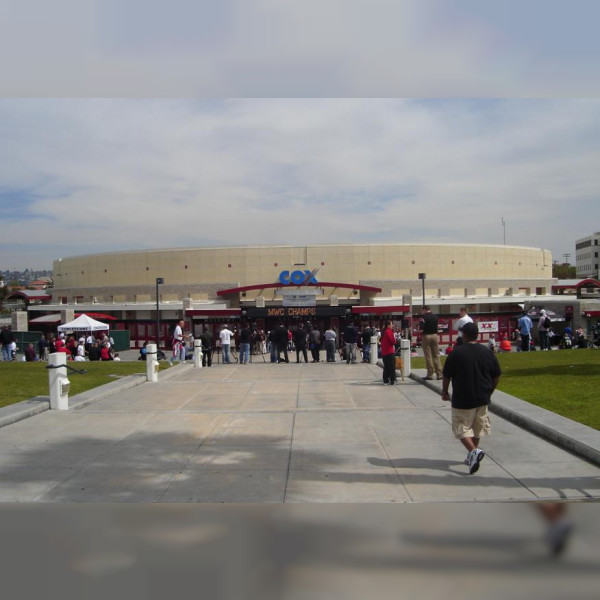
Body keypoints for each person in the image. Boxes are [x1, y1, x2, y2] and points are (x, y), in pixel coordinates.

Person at [441, 322, 501, 475]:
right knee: (477, 428)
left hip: (463, 397)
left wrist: (444, 392)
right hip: (482, 396)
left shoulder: (456, 353)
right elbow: (496, 375)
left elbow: (446, 375)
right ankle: (472, 456)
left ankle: (473, 452)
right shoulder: (487, 352)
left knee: (461, 427)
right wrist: (490, 392)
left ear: (464, 335)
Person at [420, 306, 443, 380]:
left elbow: (421, 329)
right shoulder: (435, 317)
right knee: (436, 355)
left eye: (422, 310)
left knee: (428, 355)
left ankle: (430, 374)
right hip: (435, 335)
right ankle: (439, 374)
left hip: (426, 336)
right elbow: (437, 326)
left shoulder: (423, 318)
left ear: (424, 310)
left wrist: (416, 331)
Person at [380, 320, 397, 385]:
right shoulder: (389, 331)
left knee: (386, 367)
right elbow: (393, 341)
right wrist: (396, 342)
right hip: (389, 351)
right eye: (391, 324)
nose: (392, 325)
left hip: (384, 352)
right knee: (392, 367)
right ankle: (392, 380)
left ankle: (385, 380)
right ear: (388, 325)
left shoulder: (383, 332)